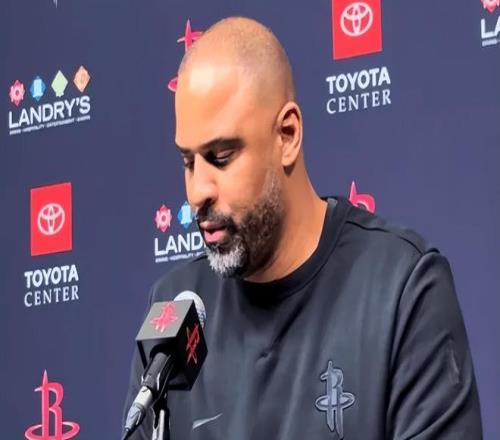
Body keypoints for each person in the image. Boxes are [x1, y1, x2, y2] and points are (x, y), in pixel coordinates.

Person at [122, 16, 482, 439]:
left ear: (288, 135)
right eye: (188, 162)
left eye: (221, 156)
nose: (198, 190)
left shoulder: (402, 289)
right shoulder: (174, 309)